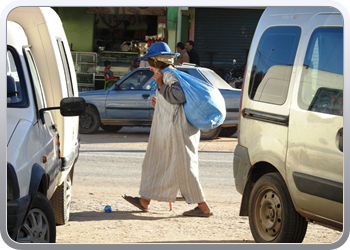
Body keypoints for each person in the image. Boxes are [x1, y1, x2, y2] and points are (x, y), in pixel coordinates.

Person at [122, 42, 213, 217]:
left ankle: (204, 207)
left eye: (150, 62)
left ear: (157, 61)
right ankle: (144, 200)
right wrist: (160, 102)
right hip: (171, 129)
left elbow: (178, 96)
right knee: (157, 163)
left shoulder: (168, 74)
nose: (149, 66)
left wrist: (162, 87)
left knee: (184, 168)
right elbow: (172, 101)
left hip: (175, 131)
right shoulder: (167, 74)